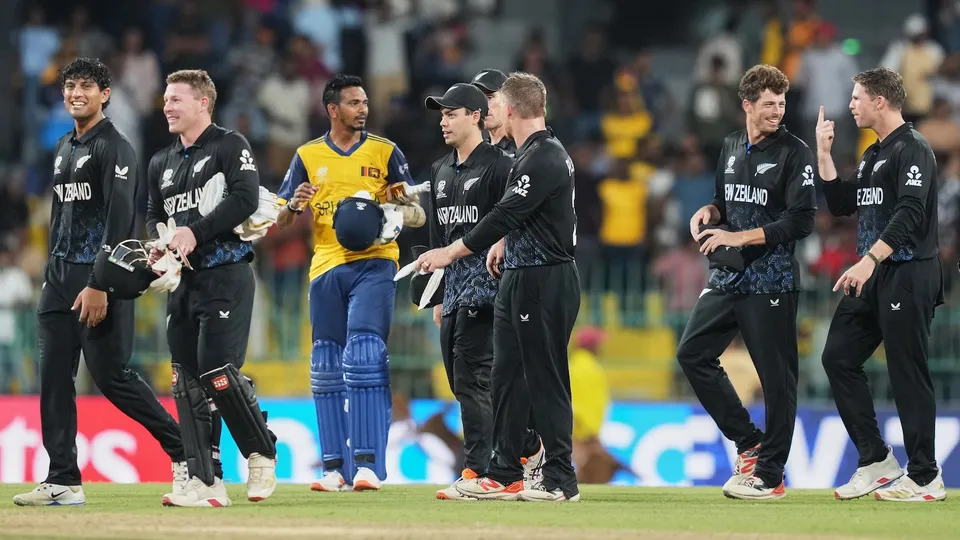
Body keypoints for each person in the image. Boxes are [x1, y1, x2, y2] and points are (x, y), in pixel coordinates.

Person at [13, 58, 186, 508]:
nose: (76, 93)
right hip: (58, 279)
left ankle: (186, 452)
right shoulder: (63, 147)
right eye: (70, 86)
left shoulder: (116, 147)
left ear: (104, 94)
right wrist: (53, 272)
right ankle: (63, 480)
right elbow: (61, 217)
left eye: (86, 86)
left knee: (113, 378)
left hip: (99, 276)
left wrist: (100, 283)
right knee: (53, 377)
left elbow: (119, 220)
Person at [416, 72, 581, 503]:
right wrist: (505, 243)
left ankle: (561, 477)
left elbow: (506, 213)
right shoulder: (531, 154)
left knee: (544, 379)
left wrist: (451, 253)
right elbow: (521, 217)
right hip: (519, 275)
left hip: (544, 277)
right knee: (506, 377)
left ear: (508, 110)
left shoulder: (541, 156)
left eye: (495, 107)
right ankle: (504, 472)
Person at [276, 74, 424, 492]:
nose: (364, 109)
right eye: (354, 103)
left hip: (375, 264)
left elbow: (416, 212)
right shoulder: (306, 155)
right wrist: (293, 206)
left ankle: (367, 466)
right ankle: (332, 468)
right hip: (325, 267)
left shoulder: (385, 151)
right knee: (325, 364)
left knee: (363, 355)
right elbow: (281, 219)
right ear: (332, 109)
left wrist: (395, 211)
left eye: (365, 102)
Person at [679, 64, 817, 500]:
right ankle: (749, 443)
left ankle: (770, 475)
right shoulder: (732, 145)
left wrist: (738, 235)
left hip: (771, 281)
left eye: (782, 103)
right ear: (747, 105)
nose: (777, 111)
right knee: (692, 353)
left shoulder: (795, 153)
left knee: (777, 380)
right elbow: (727, 200)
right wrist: (711, 213)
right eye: (769, 104)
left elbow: (802, 220)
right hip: (729, 275)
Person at [146, 69, 278, 508]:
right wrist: (159, 245)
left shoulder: (229, 145)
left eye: (176, 99)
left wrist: (194, 234)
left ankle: (261, 453)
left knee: (216, 370)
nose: (167, 106)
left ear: (203, 103)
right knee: (185, 377)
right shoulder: (160, 163)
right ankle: (205, 482)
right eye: (166, 99)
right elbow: (154, 214)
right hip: (184, 282)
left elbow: (244, 198)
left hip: (227, 272)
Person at [816, 67, 947, 502]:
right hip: (874, 273)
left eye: (857, 97)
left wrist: (870, 259)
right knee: (837, 357)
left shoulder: (914, 149)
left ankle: (926, 476)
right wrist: (824, 155)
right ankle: (875, 461)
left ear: (881, 101)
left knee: (907, 370)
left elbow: (910, 214)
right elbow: (841, 204)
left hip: (907, 273)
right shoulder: (875, 153)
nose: (850, 104)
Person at [419, 83, 514, 500]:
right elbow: (438, 238)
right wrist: (438, 296)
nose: (443, 120)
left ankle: (480, 470)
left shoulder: (501, 165)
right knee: (461, 382)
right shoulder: (440, 170)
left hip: (489, 287)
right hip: (454, 289)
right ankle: (520, 456)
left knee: (474, 378)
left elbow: (514, 223)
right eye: (441, 114)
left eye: (451, 113)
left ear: (476, 115)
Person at [471, 69, 517, 157]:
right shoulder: (478, 153)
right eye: (478, 99)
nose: (482, 105)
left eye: (489, 98)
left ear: (509, 99)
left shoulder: (524, 150)